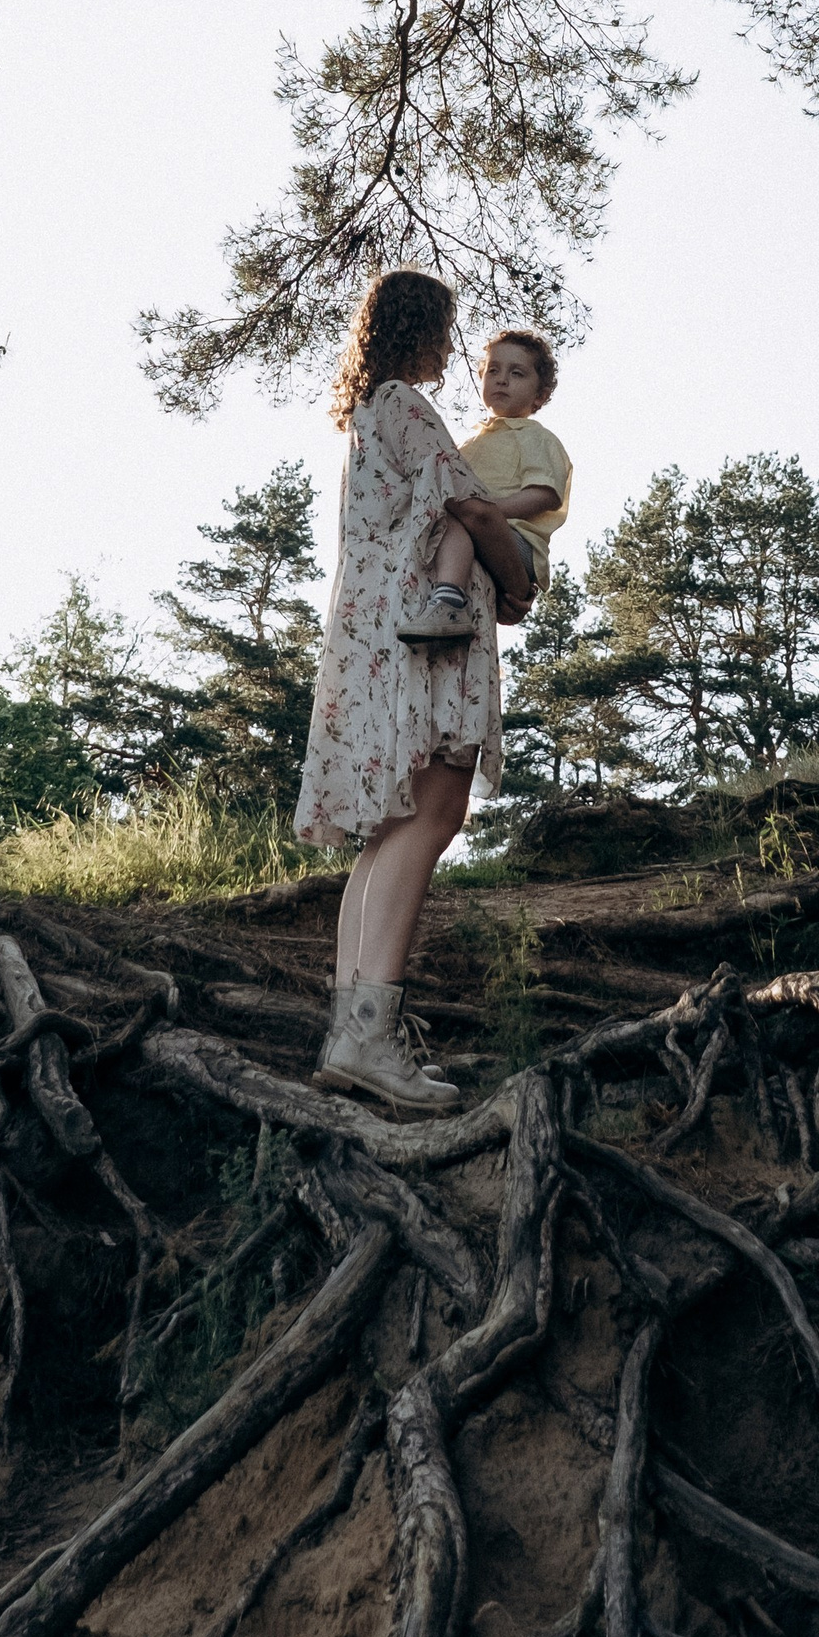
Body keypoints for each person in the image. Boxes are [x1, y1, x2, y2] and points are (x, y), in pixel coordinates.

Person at [295, 269, 520, 1114]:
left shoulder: (365, 418)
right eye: (444, 328)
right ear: (421, 328)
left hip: (375, 643)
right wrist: (519, 580)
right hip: (425, 645)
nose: (451, 347)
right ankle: (370, 1037)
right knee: (433, 812)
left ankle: (351, 1033)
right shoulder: (405, 406)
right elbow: (477, 511)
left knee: (390, 831)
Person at [436, 328, 572, 624]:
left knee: (459, 520)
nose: (501, 379)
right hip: (471, 532)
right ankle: (450, 596)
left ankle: (447, 599)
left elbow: (545, 494)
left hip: (516, 539)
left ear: (540, 396)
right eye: (493, 370)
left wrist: (488, 511)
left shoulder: (535, 437)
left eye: (517, 373)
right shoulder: (467, 445)